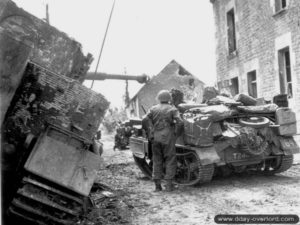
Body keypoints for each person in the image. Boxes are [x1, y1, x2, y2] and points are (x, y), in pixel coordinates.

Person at [143, 90, 183, 192]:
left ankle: (157, 186)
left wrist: (149, 132)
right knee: (170, 159)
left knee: (157, 160)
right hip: (168, 136)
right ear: (169, 99)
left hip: (156, 137)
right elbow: (180, 122)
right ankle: (169, 186)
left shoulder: (153, 108)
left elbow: (144, 120)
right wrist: (176, 134)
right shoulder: (172, 109)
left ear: (159, 98)